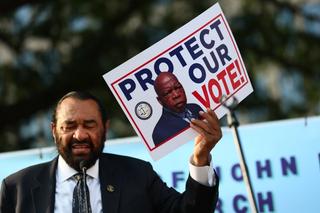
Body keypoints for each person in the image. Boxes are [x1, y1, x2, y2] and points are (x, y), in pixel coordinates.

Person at [0, 90, 222, 213]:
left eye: (89, 125)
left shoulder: (137, 175)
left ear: (105, 128)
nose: (79, 135)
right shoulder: (17, 188)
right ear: (54, 130)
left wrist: (200, 159)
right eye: (69, 126)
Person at [152, 72, 203, 146]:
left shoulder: (195, 108)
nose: (176, 95)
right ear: (160, 100)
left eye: (178, 87)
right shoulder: (160, 133)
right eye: (168, 93)